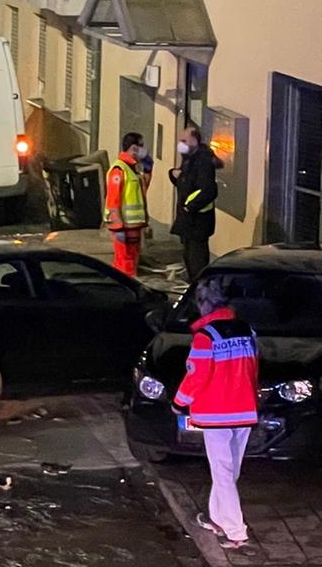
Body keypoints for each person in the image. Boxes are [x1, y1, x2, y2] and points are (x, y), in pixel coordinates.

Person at [174, 279, 260, 551]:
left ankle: (236, 532)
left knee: (222, 472)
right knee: (228, 472)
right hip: (244, 410)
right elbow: (253, 369)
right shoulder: (247, 330)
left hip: (216, 415)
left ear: (204, 305)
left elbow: (196, 376)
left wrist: (179, 402)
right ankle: (217, 518)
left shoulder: (206, 337)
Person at [170, 126, 221, 283]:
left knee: (197, 260)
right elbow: (187, 183)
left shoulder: (203, 161)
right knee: (189, 257)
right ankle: (193, 285)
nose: (181, 144)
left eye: (184, 140)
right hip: (189, 221)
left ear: (194, 140)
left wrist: (188, 207)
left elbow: (208, 191)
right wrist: (173, 175)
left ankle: (198, 289)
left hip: (197, 221)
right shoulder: (189, 159)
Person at [105, 132, 149, 276]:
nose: (144, 149)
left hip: (133, 226)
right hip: (123, 227)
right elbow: (113, 200)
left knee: (131, 262)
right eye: (141, 146)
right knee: (124, 265)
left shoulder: (133, 169)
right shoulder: (119, 170)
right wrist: (118, 227)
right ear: (134, 148)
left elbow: (141, 192)